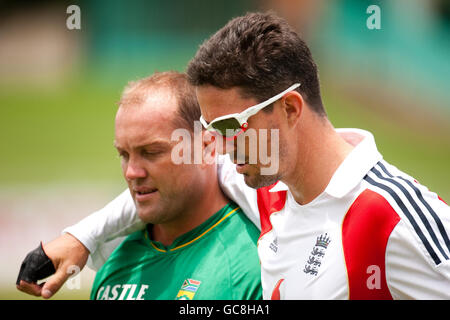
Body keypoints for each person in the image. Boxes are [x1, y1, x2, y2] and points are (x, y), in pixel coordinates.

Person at [18, 12, 450, 300]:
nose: (218, 147)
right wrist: (82, 238)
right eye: (210, 130)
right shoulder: (265, 183)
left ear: (290, 109)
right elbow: (170, 177)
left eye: (228, 128)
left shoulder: (390, 215)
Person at [17, 71, 262, 300]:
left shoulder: (255, 266)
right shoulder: (115, 264)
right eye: (123, 154)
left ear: (207, 148)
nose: (132, 172)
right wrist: (81, 237)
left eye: (152, 152)